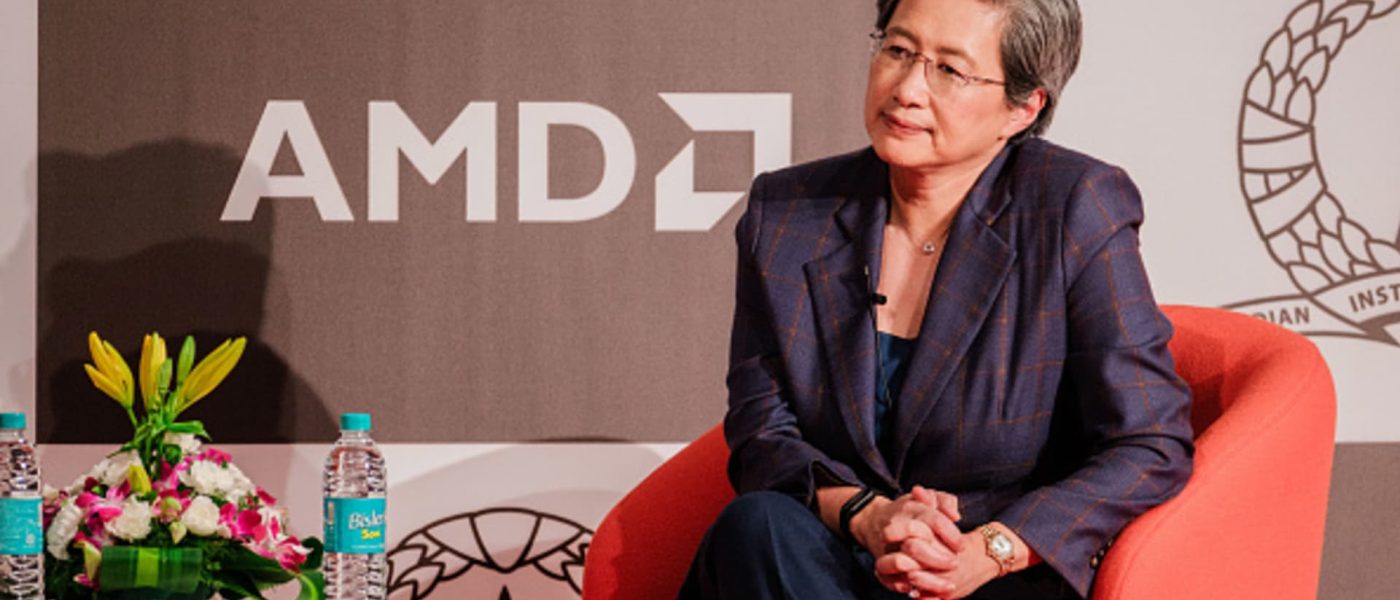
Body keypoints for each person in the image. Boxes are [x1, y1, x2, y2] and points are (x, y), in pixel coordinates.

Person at [678, 0, 1194, 598]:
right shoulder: (789, 214)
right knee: (757, 528)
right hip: (835, 560)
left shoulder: (1074, 207)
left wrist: (990, 549)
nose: (907, 89)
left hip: (997, 571)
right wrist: (869, 516)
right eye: (898, 51)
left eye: (950, 70)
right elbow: (762, 432)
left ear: (1023, 108)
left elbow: (1148, 442)